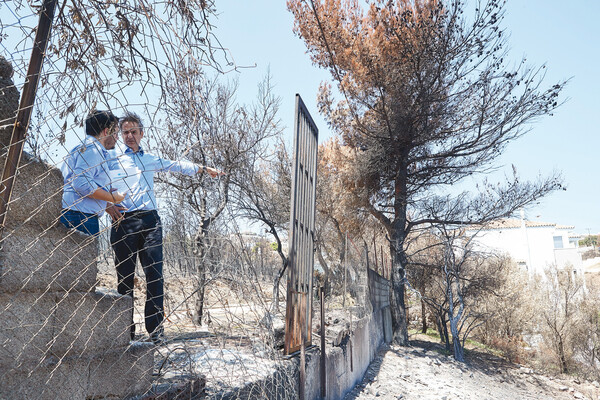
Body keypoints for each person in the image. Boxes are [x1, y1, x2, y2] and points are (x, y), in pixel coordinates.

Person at [108, 111, 221, 344]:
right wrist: (107, 205)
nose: (129, 136)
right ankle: (123, 332)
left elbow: (175, 166)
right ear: (120, 135)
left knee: (155, 276)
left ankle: (156, 330)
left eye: (133, 132)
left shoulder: (149, 159)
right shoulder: (111, 159)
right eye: (125, 132)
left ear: (141, 133)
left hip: (150, 222)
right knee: (125, 279)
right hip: (124, 221)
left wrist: (202, 168)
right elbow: (96, 183)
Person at [60, 110, 125, 236]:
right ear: (107, 131)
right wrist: (112, 197)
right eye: (116, 133)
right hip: (81, 218)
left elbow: (80, 183)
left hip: (75, 213)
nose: (117, 138)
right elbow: (81, 184)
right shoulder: (93, 150)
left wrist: (106, 204)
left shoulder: (84, 147)